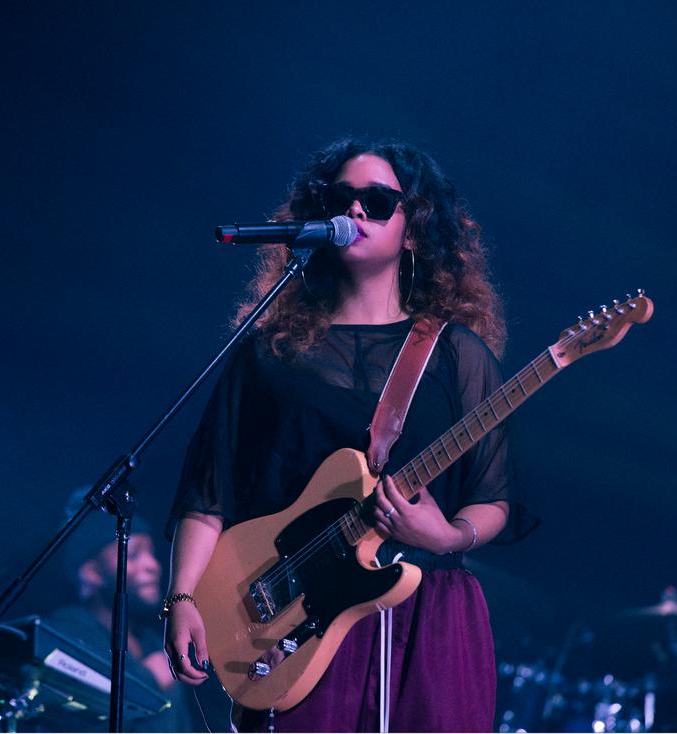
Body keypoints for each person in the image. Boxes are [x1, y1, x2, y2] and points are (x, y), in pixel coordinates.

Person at [163, 139, 536, 732]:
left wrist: (445, 535)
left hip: (425, 611)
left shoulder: (456, 355)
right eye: (343, 198)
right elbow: (209, 491)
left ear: (414, 230)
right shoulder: (270, 351)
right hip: (296, 615)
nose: (356, 211)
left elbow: (493, 497)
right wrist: (182, 598)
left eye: (379, 201)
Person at [47, 489, 198, 732]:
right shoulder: (67, 632)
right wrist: (149, 681)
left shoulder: (153, 640)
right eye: (135, 554)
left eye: (151, 553)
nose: (153, 565)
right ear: (92, 573)